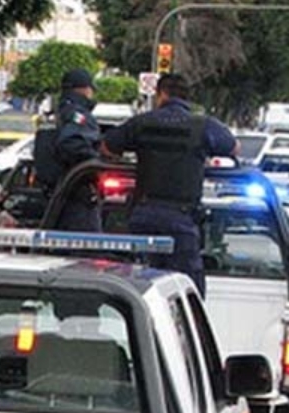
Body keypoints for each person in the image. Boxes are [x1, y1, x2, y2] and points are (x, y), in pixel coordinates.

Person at [101, 74, 238, 295]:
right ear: (186, 97)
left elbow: (107, 147)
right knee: (186, 290)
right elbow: (233, 148)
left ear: (161, 94)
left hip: (144, 216)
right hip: (181, 219)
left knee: (137, 285)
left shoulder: (142, 122)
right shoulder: (203, 126)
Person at [52, 69, 102, 232]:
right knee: (87, 248)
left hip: (63, 190)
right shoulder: (77, 114)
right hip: (78, 192)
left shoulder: (61, 111)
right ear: (84, 89)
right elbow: (70, 143)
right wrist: (97, 161)